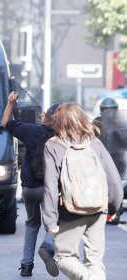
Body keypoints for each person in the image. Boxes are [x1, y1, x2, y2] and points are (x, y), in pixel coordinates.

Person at [42, 103, 123, 280]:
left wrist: (50, 222)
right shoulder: (94, 142)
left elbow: (50, 186)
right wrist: (113, 207)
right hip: (98, 209)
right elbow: (114, 180)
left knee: (64, 257)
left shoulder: (53, 145)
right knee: (95, 262)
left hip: (70, 210)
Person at [2, 91, 60, 277]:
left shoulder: (31, 131)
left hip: (28, 188)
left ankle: (26, 265)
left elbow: (6, 123)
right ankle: (48, 248)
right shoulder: (62, 138)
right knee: (52, 224)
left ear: (46, 117)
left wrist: (11, 103)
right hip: (49, 189)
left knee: (31, 224)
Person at [93, 97, 124, 225]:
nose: (109, 111)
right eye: (106, 109)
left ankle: (115, 212)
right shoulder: (96, 122)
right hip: (101, 159)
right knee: (100, 186)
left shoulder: (120, 123)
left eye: (111, 109)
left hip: (118, 160)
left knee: (117, 186)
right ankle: (100, 212)